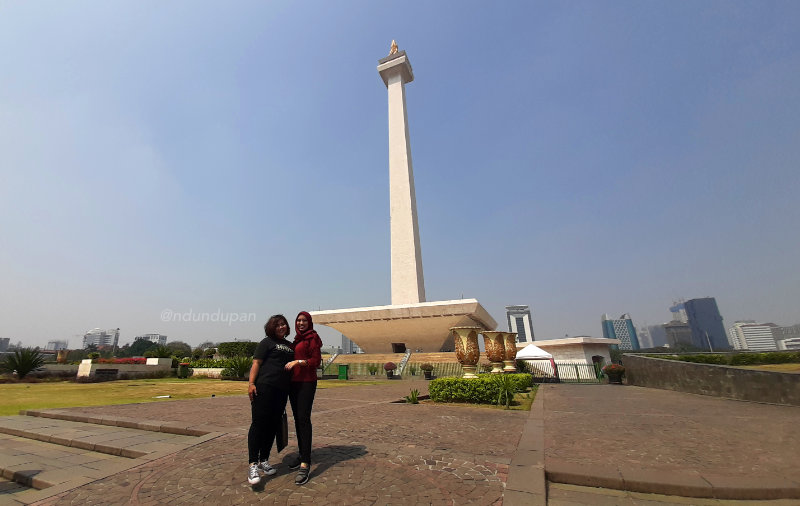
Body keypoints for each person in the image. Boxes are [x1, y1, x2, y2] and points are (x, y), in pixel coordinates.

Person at [247, 314, 294, 486]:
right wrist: (251, 383)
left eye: (284, 324)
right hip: (264, 387)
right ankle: (252, 464)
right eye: (278, 325)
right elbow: (257, 363)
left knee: (273, 426)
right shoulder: (266, 342)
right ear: (272, 327)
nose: (282, 327)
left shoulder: (290, 346)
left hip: (282, 391)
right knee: (259, 424)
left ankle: (263, 460)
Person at [285, 311, 322, 485]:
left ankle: (305, 462)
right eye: (298, 320)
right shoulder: (297, 340)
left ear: (309, 322)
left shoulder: (312, 338)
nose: (301, 323)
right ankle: (301, 453)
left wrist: (298, 362)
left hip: (307, 382)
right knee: (298, 420)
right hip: (294, 383)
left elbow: (316, 361)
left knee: (303, 419)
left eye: (304, 320)